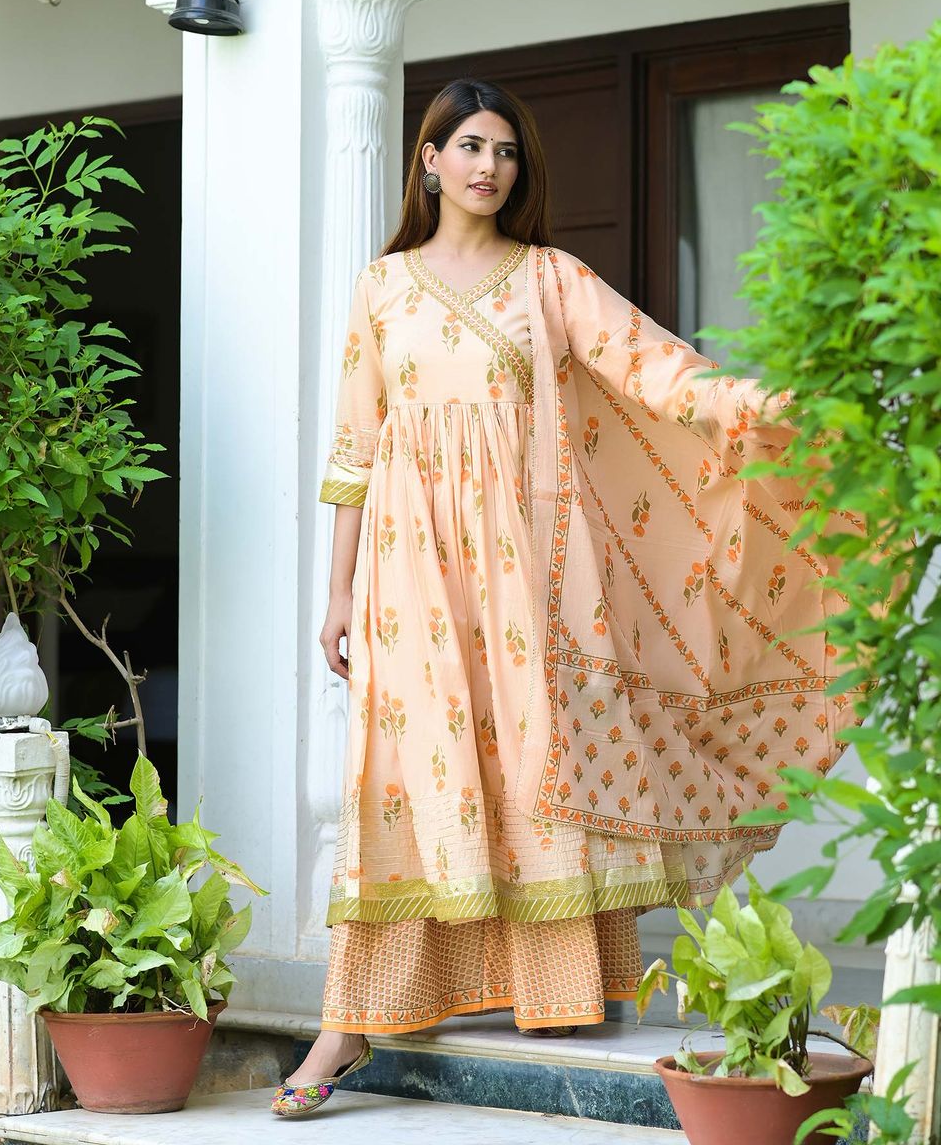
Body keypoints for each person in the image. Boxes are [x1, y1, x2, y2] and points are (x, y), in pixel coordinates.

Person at [270, 79, 861, 1118]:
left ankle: (558, 986)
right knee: (410, 770)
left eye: (504, 151)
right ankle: (350, 1020)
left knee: (537, 755)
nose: (488, 167)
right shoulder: (382, 288)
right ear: (429, 159)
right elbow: (355, 450)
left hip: (527, 571)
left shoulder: (547, 279)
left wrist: (771, 405)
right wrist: (337, 594)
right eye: (469, 146)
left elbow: (659, 370)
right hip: (409, 573)